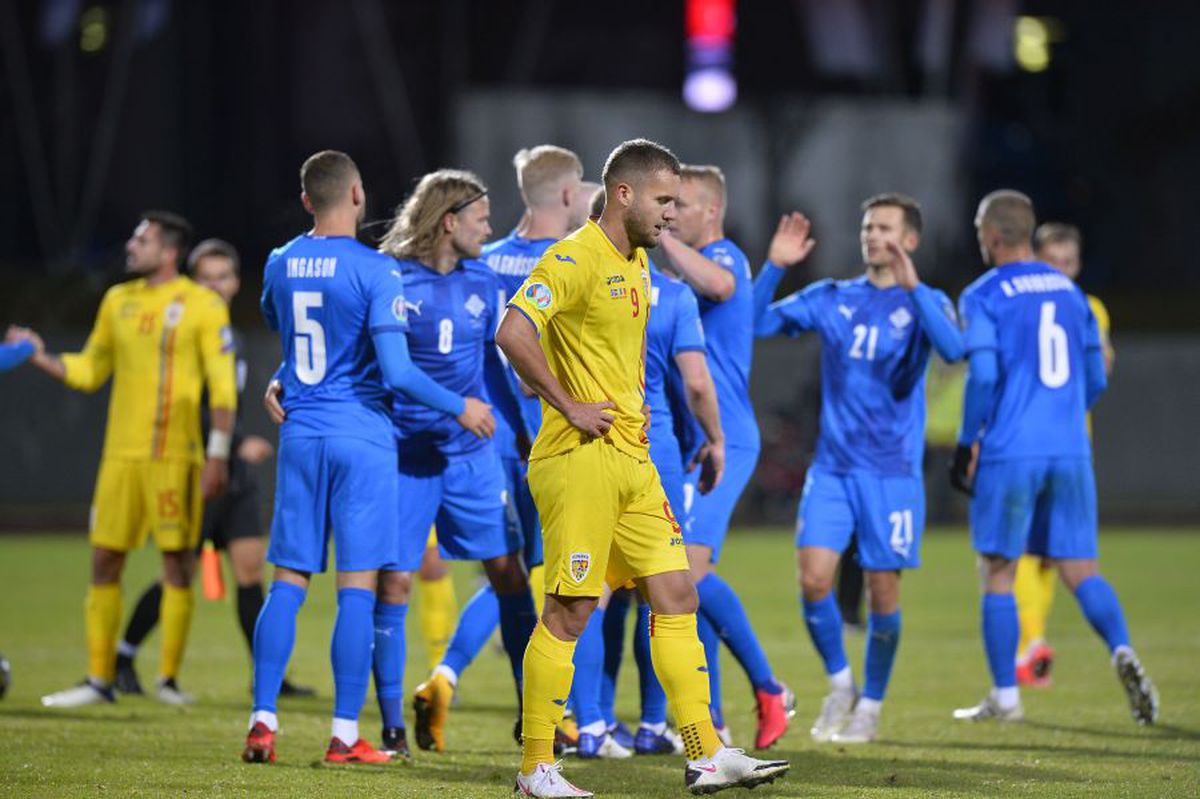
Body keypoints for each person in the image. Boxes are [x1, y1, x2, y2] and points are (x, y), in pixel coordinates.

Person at [497, 138, 788, 797]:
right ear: (623, 194)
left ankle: (704, 752)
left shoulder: (637, 264)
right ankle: (536, 767)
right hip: (578, 462)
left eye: (679, 203)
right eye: (663, 201)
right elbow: (513, 330)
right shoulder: (572, 256)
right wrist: (568, 402)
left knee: (677, 592)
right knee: (571, 609)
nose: (670, 214)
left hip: (633, 461)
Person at [243, 150, 490, 765]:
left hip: (300, 435)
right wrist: (461, 406)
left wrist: (282, 378)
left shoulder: (279, 262)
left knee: (289, 582)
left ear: (307, 200)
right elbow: (399, 373)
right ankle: (344, 736)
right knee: (357, 588)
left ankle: (263, 721)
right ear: (357, 196)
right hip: (363, 438)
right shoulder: (378, 271)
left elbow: (295, 339)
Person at [754, 196, 965, 744]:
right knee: (813, 579)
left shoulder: (927, 301)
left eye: (886, 228)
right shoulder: (833, 296)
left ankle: (870, 706)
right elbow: (751, 322)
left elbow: (954, 347)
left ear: (910, 240)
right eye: (869, 226)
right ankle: (841, 684)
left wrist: (913, 285)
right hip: (833, 469)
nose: (874, 236)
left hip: (892, 474)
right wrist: (775, 265)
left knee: (882, 591)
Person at [950, 190, 1157, 726]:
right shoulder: (1072, 293)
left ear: (992, 235)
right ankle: (1121, 650)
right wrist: (1065, 416)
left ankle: (1005, 698)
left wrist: (968, 437)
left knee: (997, 569)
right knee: (1080, 567)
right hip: (1070, 449)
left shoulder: (984, 292)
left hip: (1012, 448)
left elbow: (987, 374)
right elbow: (1093, 376)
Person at [410, 148, 590, 751]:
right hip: (544, 435)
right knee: (559, 582)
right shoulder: (566, 262)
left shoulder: (485, 260)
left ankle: (445, 677)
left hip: (488, 441)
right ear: (566, 196)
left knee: (511, 574)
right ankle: (563, 716)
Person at [28, 211, 237, 709]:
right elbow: (91, 368)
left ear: (168, 251)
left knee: (177, 566)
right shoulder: (117, 301)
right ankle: (98, 681)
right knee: (104, 561)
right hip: (119, 458)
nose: (130, 245)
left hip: (174, 458)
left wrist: (217, 456)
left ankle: (167, 680)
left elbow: (224, 389)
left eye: (141, 239)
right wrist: (41, 357)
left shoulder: (202, 305)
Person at [368, 169, 536, 757]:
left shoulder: (484, 281)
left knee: (510, 575)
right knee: (394, 581)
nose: (488, 229)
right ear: (449, 222)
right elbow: (372, 363)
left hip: (472, 459)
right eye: (482, 219)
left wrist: (517, 429)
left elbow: (494, 364)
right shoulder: (392, 279)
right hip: (406, 458)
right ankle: (391, 728)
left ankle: (531, 719)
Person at [112, 239, 313, 700]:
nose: (216, 286)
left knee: (249, 571)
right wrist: (238, 444)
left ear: (236, 283)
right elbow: (191, 407)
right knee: (177, 571)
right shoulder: (184, 337)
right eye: (206, 278)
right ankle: (122, 658)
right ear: (191, 283)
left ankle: (268, 676)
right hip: (199, 469)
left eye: (224, 277)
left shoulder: (231, 336)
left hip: (234, 477)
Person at [656, 164, 792, 749]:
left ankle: (769, 688)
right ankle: (711, 718)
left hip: (727, 439)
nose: (670, 214)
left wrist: (656, 235)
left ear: (709, 211)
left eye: (678, 206)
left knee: (686, 573)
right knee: (683, 584)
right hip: (693, 444)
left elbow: (724, 288)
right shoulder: (678, 276)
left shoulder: (726, 257)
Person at [1012, 222, 1116, 687]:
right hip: (1073, 447)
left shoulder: (1022, 303)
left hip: (1035, 447)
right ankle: (1036, 642)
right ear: (1037, 259)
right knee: (1042, 555)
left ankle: (1029, 644)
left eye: (1068, 263)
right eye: (1052, 261)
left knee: (1028, 554)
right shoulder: (1089, 308)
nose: (1061, 271)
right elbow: (1101, 372)